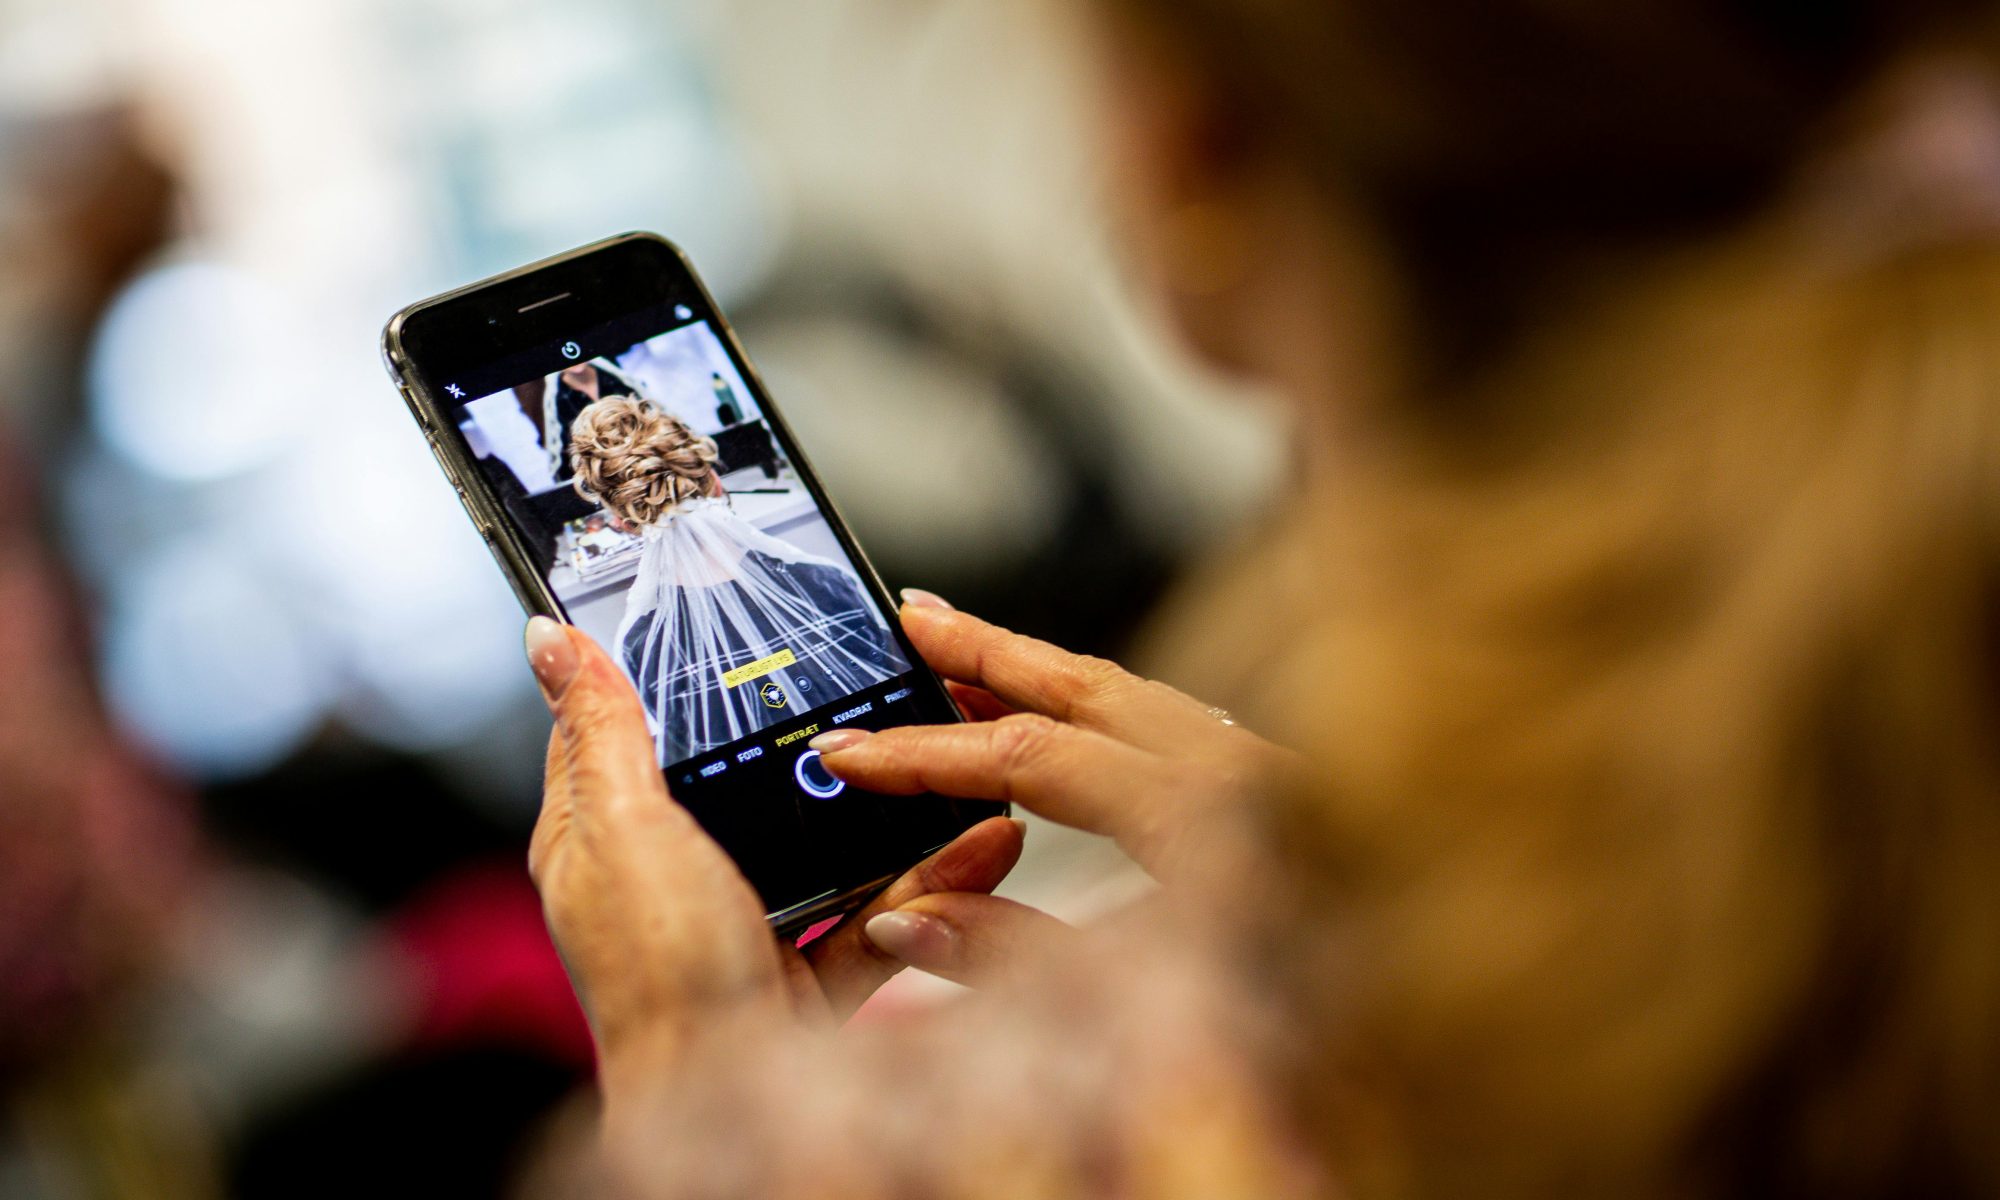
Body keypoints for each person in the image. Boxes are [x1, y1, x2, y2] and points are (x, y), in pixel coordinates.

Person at [520, 1, 2000, 1194]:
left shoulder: (1027, 1146)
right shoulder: (1851, 880)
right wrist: (1377, 905)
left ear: (1190, 149)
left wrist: (699, 1079)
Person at [567, 395, 907, 765]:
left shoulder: (643, 647)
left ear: (625, 523)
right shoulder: (827, 582)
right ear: (715, 482)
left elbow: (687, 753)